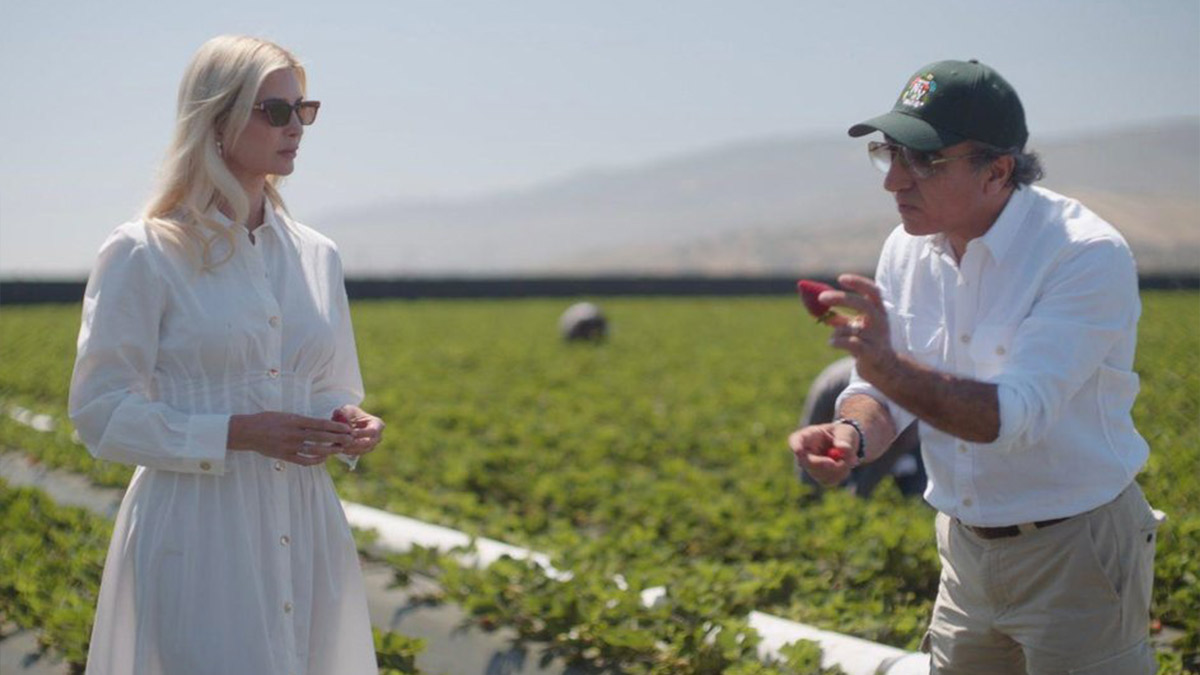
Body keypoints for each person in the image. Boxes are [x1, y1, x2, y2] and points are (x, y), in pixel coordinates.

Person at [788, 59, 1162, 673]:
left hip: (1076, 551)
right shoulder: (907, 248)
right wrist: (851, 434)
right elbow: (880, 394)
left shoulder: (1082, 256)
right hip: (964, 548)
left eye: (925, 160)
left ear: (998, 170)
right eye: (890, 153)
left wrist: (887, 369)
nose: (895, 182)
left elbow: (1010, 418)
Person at [69, 35, 383, 674]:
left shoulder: (317, 255)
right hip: (197, 530)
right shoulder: (145, 251)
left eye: (304, 109)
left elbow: (329, 384)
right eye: (275, 111)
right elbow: (100, 412)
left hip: (305, 523)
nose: (295, 127)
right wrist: (235, 433)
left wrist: (344, 420)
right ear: (216, 119)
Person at [796, 356, 925, 498]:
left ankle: (911, 488)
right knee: (827, 446)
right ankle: (814, 493)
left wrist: (860, 491)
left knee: (913, 470)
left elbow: (899, 445)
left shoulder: (901, 391)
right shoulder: (830, 386)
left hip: (911, 428)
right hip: (833, 388)